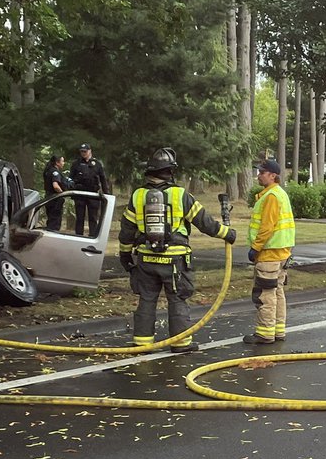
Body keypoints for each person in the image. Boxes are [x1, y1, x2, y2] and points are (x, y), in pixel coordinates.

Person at [118, 147, 236, 353]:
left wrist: (125, 254)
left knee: (146, 299)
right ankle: (180, 343)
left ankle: (142, 343)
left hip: (146, 259)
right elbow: (205, 222)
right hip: (174, 261)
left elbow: (127, 230)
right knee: (177, 298)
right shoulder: (180, 195)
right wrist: (227, 233)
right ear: (170, 171)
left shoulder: (138, 196)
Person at [245, 158, 295, 345]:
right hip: (281, 253)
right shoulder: (278, 194)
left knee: (265, 294)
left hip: (269, 254)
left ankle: (265, 334)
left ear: (273, 176)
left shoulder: (272, 196)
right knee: (277, 292)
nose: (258, 175)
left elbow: (266, 226)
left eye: (262, 172)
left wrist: (255, 248)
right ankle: (277, 331)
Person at [69, 143, 110, 237]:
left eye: (85, 151)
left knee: (93, 217)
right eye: (82, 151)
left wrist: (106, 193)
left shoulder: (97, 164)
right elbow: (70, 178)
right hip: (80, 194)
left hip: (93, 194)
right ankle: (79, 236)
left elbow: (103, 179)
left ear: (90, 151)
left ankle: (93, 236)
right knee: (80, 217)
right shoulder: (76, 164)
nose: (83, 153)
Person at [42, 155, 70, 231]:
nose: (63, 163)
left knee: (50, 220)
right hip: (55, 200)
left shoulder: (48, 171)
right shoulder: (55, 172)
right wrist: (62, 193)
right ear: (57, 162)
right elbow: (55, 186)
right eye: (62, 161)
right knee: (55, 222)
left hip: (48, 198)